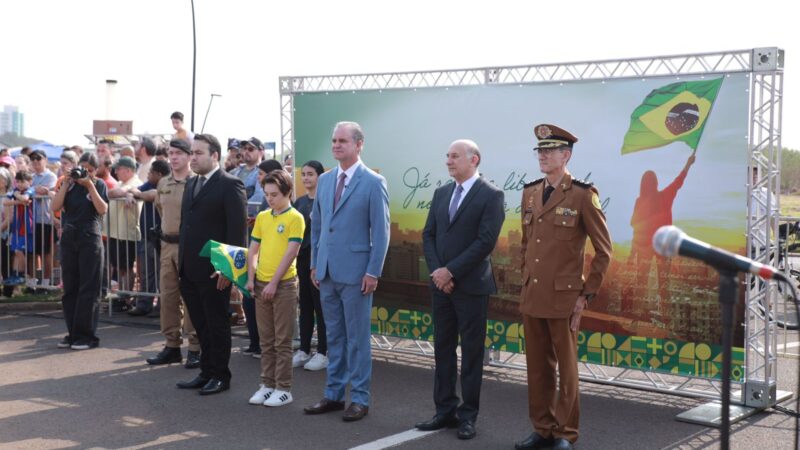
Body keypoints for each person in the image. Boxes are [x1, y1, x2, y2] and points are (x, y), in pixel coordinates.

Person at [514, 124, 612, 450]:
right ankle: (542, 428)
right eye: (539, 151)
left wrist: (585, 295)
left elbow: (603, 251)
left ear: (565, 155)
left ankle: (565, 433)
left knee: (566, 371)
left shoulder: (583, 195)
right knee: (537, 368)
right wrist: (525, 280)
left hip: (564, 297)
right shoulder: (529, 192)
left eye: (549, 150)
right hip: (534, 294)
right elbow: (527, 244)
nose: (542, 155)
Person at [415, 139, 505, 440]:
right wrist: (438, 272)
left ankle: (468, 416)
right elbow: (428, 235)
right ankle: (444, 410)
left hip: (471, 288)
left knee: (471, 353)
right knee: (442, 348)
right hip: (441, 287)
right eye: (447, 156)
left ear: (474, 160)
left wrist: (450, 271)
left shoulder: (491, 195)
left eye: (455, 156)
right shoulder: (441, 193)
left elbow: (485, 242)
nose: (448, 161)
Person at [304, 121, 390, 422]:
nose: (336, 145)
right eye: (334, 141)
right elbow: (317, 225)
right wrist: (315, 262)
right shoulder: (326, 181)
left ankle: (360, 399)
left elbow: (381, 233)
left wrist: (373, 272)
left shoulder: (373, 182)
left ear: (359, 144)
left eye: (342, 140)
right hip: (326, 271)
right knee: (334, 338)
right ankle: (333, 395)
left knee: (357, 339)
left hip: (357, 275)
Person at [176, 133, 247, 395]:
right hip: (189, 268)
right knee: (200, 324)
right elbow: (187, 225)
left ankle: (220, 375)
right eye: (191, 153)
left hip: (215, 270)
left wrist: (228, 269)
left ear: (214, 155)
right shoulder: (191, 183)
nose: (192, 158)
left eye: (198, 153)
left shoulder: (231, 184)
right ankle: (206, 371)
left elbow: (237, 231)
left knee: (217, 323)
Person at [246, 170, 304, 407]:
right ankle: (267, 384)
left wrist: (273, 282)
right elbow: (253, 249)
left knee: (282, 341)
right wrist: (251, 278)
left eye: (275, 194)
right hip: (261, 284)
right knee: (266, 340)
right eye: (267, 194)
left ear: (287, 192)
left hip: (284, 285)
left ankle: (284, 388)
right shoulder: (262, 217)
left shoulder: (296, 218)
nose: (270, 199)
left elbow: (291, 253)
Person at [141, 139, 201, 368]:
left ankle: (195, 347)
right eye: (170, 153)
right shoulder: (164, 182)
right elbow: (160, 209)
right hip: (166, 246)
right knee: (168, 297)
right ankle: (172, 345)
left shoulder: (197, 183)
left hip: (189, 247)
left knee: (191, 298)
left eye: (178, 153)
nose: (173, 157)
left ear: (189, 156)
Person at [51, 152, 108, 350]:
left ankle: (86, 335)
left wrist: (90, 185)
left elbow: (102, 209)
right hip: (69, 237)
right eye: (83, 169)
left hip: (89, 237)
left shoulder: (98, 184)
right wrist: (66, 183)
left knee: (89, 288)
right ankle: (73, 333)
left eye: (90, 171)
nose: (86, 174)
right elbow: (55, 207)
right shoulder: (68, 184)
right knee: (71, 288)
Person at [627, 152, 695, 305]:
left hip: (644, 248)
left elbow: (636, 228)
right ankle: (665, 317)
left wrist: (632, 253)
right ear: (656, 183)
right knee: (663, 285)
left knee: (642, 282)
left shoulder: (640, 201)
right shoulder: (665, 196)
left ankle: (639, 314)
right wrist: (688, 164)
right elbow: (678, 181)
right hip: (663, 247)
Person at [292, 160, 328, 371]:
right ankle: (304, 349)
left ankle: (323, 352)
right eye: (303, 174)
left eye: (310, 174)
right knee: (304, 306)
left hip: (321, 261)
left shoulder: (327, 201)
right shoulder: (299, 202)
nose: (306, 178)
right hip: (302, 260)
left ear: (320, 177)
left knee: (321, 307)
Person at [127, 160, 170, 316]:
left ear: (158, 174)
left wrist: (137, 194)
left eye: (151, 172)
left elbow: (154, 196)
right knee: (146, 273)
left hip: (163, 237)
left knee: (162, 274)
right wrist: (131, 194)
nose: (149, 175)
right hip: (147, 236)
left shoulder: (168, 185)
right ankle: (144, 304)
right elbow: (134, 189)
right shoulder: (148, 184)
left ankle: (161, 307)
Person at [106, 157, 143, 306]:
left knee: (126, 267)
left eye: (118, 168)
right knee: (120, 267)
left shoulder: (135, 183)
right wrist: (122, 193)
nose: (115, 171)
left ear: (128, 170)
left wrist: (124, 192)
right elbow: (111, 193)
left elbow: (117, 192)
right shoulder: (122, 183)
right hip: (117, 232)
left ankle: (126, 298)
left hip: (127, 233)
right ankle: (122, 295)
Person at [29, 150, 57, 291]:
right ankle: (33, 283)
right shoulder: (31, 176)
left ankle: (45, 283)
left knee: (46, 253)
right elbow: (30, 191)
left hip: (45, 219)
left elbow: (45, 191)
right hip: (31, 220)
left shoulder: (50, 176)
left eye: (38, 159)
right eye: (32, 159)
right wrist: (35, 190)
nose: (35, 162)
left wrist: (35, 190)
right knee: (33, 252)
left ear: (45, 160)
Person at [2, 170, 35, 286]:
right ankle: (16, 275)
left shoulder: (31, 190)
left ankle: (22, 274)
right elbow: (6, 202)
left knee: (19, 251)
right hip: (16, 226)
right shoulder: (16, 191)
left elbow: (26, 198)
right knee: (15, 252)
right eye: (18, 182)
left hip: (26, 226)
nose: (20, 184)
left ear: (30, 182)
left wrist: (17, 197)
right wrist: (18, 200)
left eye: (23, 181)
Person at [0, 167, 16, 297]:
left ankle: (8, 290)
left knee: (6, 263)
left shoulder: (9, 196)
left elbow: (9, 218)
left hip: (5, 235)